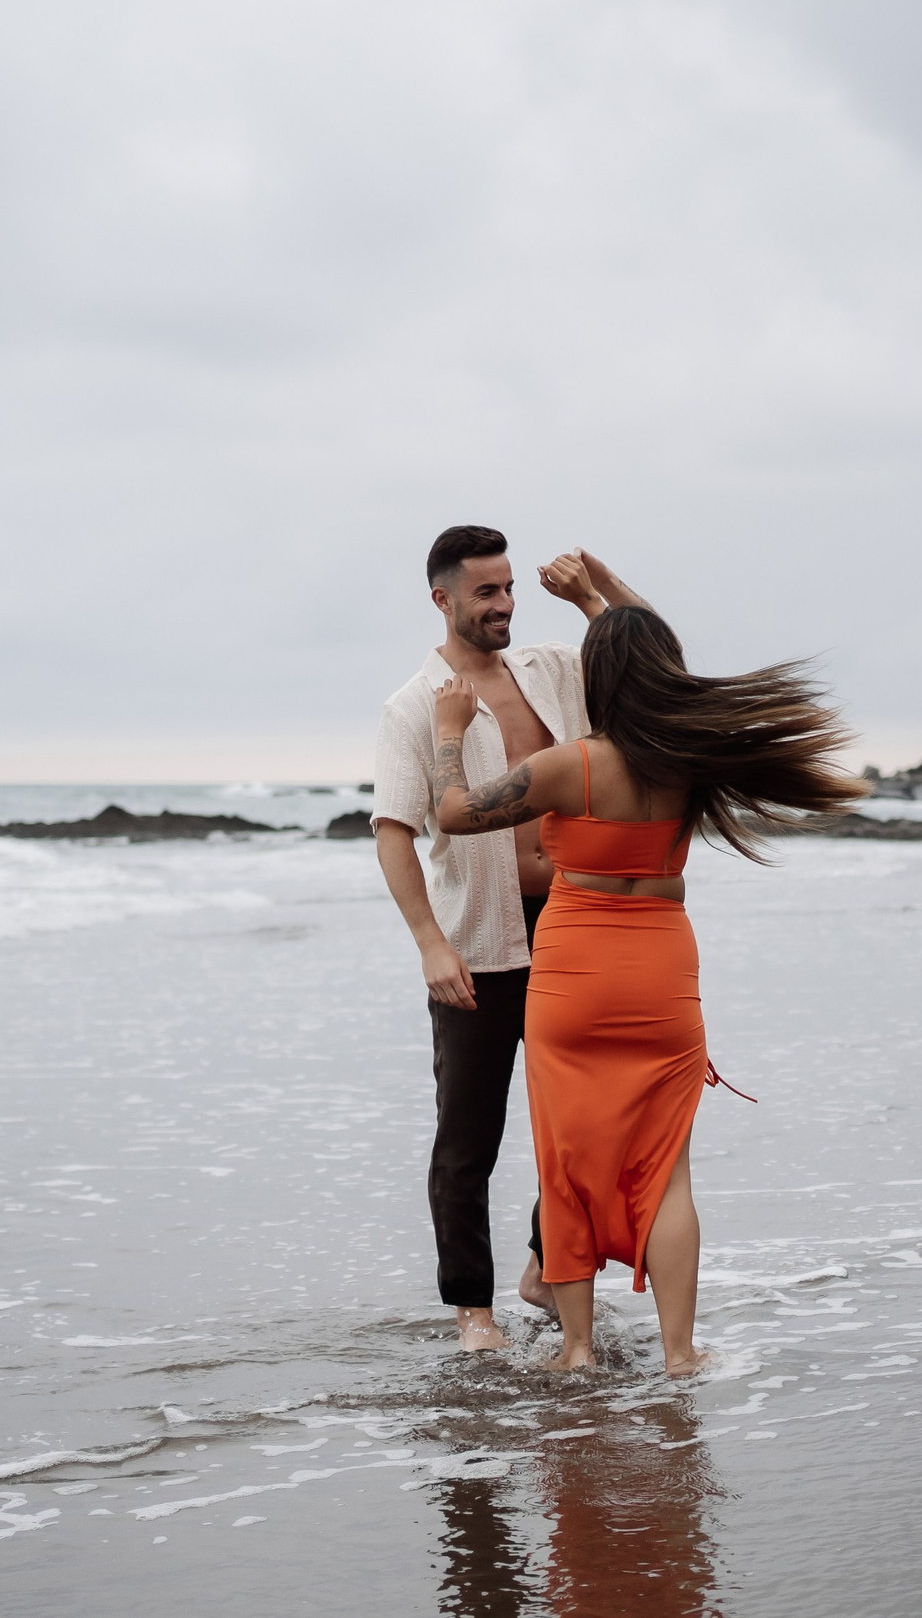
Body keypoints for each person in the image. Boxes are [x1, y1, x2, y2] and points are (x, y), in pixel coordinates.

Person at [428, 603, 866, 1374]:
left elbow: (455, 813)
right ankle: (680, 1350)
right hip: (663, 974)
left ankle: (576, 1348)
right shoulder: (692, 759)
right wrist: (602, 595)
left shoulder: (572, 764)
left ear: (596, 677)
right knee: (668, 1168)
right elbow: (663, 659)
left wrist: (452, 731)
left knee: (565, 1158)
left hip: (572, 977)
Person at [372, 525, 649, 1353]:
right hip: (480, 943)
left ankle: (541, 1264)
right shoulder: (414, 705)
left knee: (584, 1123)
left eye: (508, 588)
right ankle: (474, 1311)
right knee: (469, 1135)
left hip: (572, 927)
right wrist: (429, 942)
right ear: (443, 598)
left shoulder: (553, 671)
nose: (504, 605)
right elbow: (394, 830)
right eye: (486, 591)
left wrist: (597, 585)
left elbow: (651, 656)